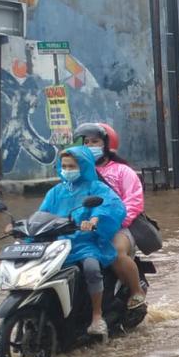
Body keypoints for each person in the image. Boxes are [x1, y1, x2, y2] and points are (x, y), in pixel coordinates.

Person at [37, 146, 126, 336]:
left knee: (91, 268)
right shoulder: (55, 192)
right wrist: (23, 227)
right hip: (60, 243)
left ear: (83, 166)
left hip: (86, 242)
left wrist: (94, 220)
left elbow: (109, 205)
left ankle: (96, 316)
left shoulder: (96, 188)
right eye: (64, 166)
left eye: (71, 166)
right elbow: (42, 214)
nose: (67, 170)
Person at [74, 123, 146, 310]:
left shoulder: (123, 171)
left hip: (120, 227)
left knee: (114, 251)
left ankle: (136, 290)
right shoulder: (78, 174)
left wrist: (114, 222)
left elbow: (134, 201)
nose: (90, 146)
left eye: (95, 142)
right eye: (86, 142)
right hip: (85, 227)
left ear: (106, 144)